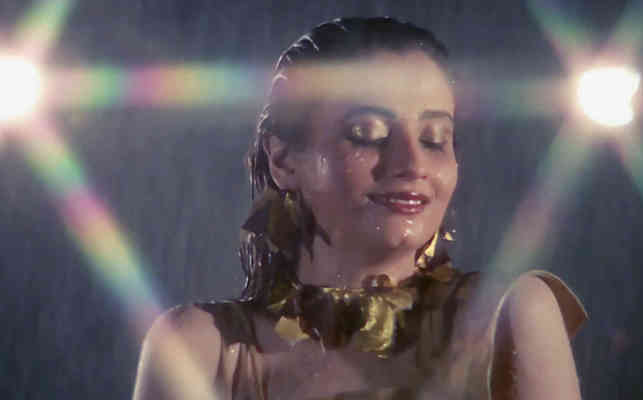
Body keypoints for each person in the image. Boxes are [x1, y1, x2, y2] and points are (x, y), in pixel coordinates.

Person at [132, 17, 587, 400]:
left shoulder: (511, 315)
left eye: (435, 139)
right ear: (284, 160)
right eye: (368, 134)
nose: (412, 164)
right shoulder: (198, 350)